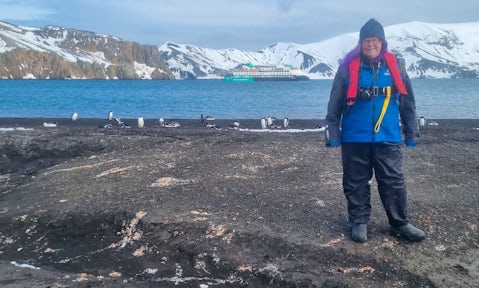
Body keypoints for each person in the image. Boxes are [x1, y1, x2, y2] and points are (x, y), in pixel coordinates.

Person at [325, 18, 425, 242]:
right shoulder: (346, 68)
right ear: (360, 43)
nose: (370, 44)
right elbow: (334, 103)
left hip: (388, 135)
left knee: (393, 181)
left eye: (375, 40)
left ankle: (399, 223)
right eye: (366, 41)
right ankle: (359, 222)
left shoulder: (396, 66)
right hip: (354, 137)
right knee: (355, 181)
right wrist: (333, 134)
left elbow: (408, 103)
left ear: (382, 42)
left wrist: (411, 133)